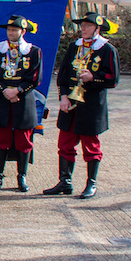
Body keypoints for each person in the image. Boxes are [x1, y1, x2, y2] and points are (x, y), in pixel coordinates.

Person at [46, 12, 119, 200]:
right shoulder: (74, 46)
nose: (83, 28)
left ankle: (91, 183)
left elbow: (113, 79)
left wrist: (93, 77)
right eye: (82, 25)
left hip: (91, 106)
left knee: (90, 146)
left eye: (87, 25)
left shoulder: (107, 49)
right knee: (65, 143)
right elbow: (63, 75)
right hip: (70, 104)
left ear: (97, 28)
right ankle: (65, 181)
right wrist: (63, 97)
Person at [0, 15, 43, 192]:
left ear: (23, 31)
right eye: (9, 30)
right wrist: (6, 92)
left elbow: (35, 78)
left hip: (23, 101)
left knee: (23, 140)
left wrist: (17, 91)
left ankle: (22, 177)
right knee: (1, 139)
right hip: (2, 100)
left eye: (14, 30)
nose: (11, 33)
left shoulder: (34, 52)